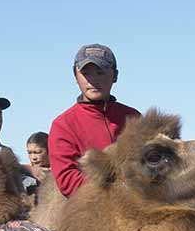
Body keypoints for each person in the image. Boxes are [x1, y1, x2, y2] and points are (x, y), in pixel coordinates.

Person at [49, 44, 140, 197]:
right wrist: (117, 187)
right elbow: (67, 181)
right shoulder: (63, 125)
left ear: (115, 76)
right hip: (93, 205)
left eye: (100, 72)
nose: (92, 80)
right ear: (75, 76)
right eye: (86, 73)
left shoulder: (133, 118)